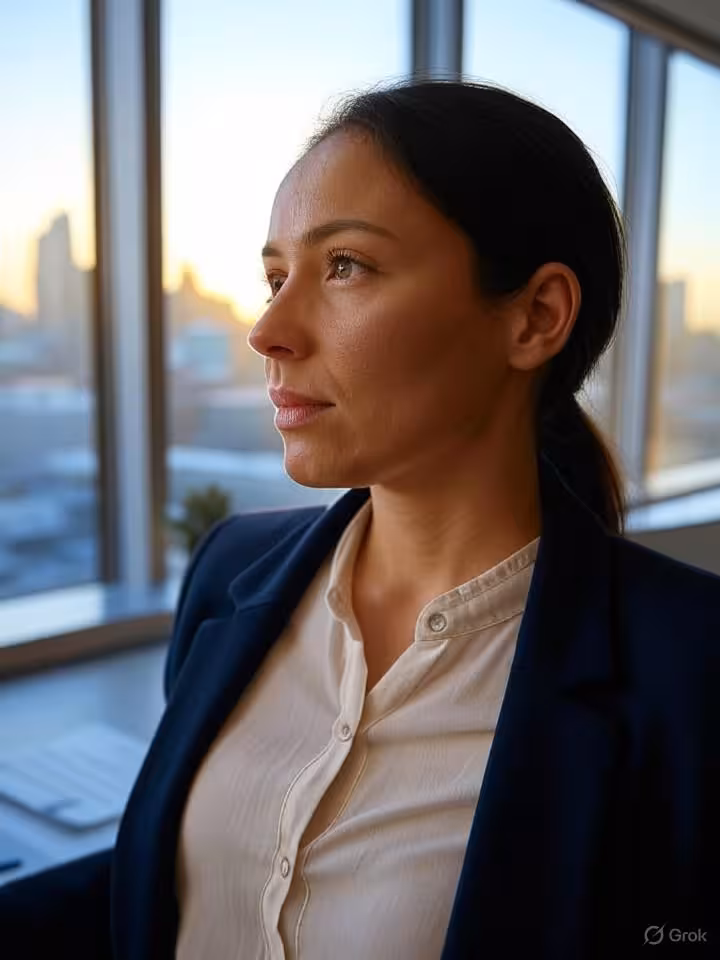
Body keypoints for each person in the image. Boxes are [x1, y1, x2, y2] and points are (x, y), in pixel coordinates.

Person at [2, 77, 719, 960]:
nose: (268, 329)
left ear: (535, 317)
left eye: (346, 265)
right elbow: (166, 879)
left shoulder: (694, 670)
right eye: (274, 276)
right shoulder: (231, 574)